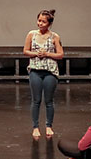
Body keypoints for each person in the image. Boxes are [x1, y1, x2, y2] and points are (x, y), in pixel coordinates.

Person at [23, 9, 64, 139]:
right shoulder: (31, 34)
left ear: (49, 23)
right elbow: (25, 51)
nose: (39, 23)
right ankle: (35, 127)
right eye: (39, 20)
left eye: (43, 21)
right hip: (35, 70)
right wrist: (36, 53)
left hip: (50, 71)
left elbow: (60, 54)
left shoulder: (54, 37)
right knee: (36, 100)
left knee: (49, 101)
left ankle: (48, 126)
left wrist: (47, 54)